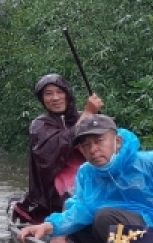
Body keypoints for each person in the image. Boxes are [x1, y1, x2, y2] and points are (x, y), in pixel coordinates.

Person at [15, 114, 153, 243]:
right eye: (86, 145)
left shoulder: (152, 162)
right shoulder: (87, 173)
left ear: (117, 141)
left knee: (104, 218)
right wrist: (47, 227)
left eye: (99, 141)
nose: (93, 150)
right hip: (127, 238)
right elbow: (80, 210)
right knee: (76, 227)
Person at [11, 74, 103, 225]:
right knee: (72, 195)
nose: (55, 98)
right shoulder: (39, 125)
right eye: (48, 93)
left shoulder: (85, 116)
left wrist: (92, 117)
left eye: (60, 92)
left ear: (67, 94)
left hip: (91, 172)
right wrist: (87, 115)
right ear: (42, 99)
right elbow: (56, 147)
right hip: (57, 180)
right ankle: (63, 232)